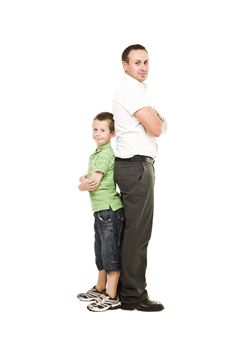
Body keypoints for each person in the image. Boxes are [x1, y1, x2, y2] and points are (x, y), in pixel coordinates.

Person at [113, 44, 166, 312]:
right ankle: (133, 296)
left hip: (134, 167)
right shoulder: (131, 90)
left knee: (132, 232)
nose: (143, 67)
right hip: (136, 168)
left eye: (146, 62)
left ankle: (124, 291)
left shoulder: (135, 90)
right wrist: (159, 120)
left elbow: (154, 124)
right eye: (137, 62)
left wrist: (156, 120)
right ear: (125, 65)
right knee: (138, 234)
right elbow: (157, 127)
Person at [77, 112, 125, 312]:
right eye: (95, 129)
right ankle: (100, 287)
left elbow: (93, 182)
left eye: (102, 130)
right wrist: (84, 179)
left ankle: (111, 296)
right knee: (101, 252)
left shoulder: (105, 153)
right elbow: (89, 177)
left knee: (110, 253)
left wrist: (81, 185)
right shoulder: (97, 153)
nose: (97, 133)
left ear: (112, 134)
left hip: (108, 210)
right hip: (101, 211)